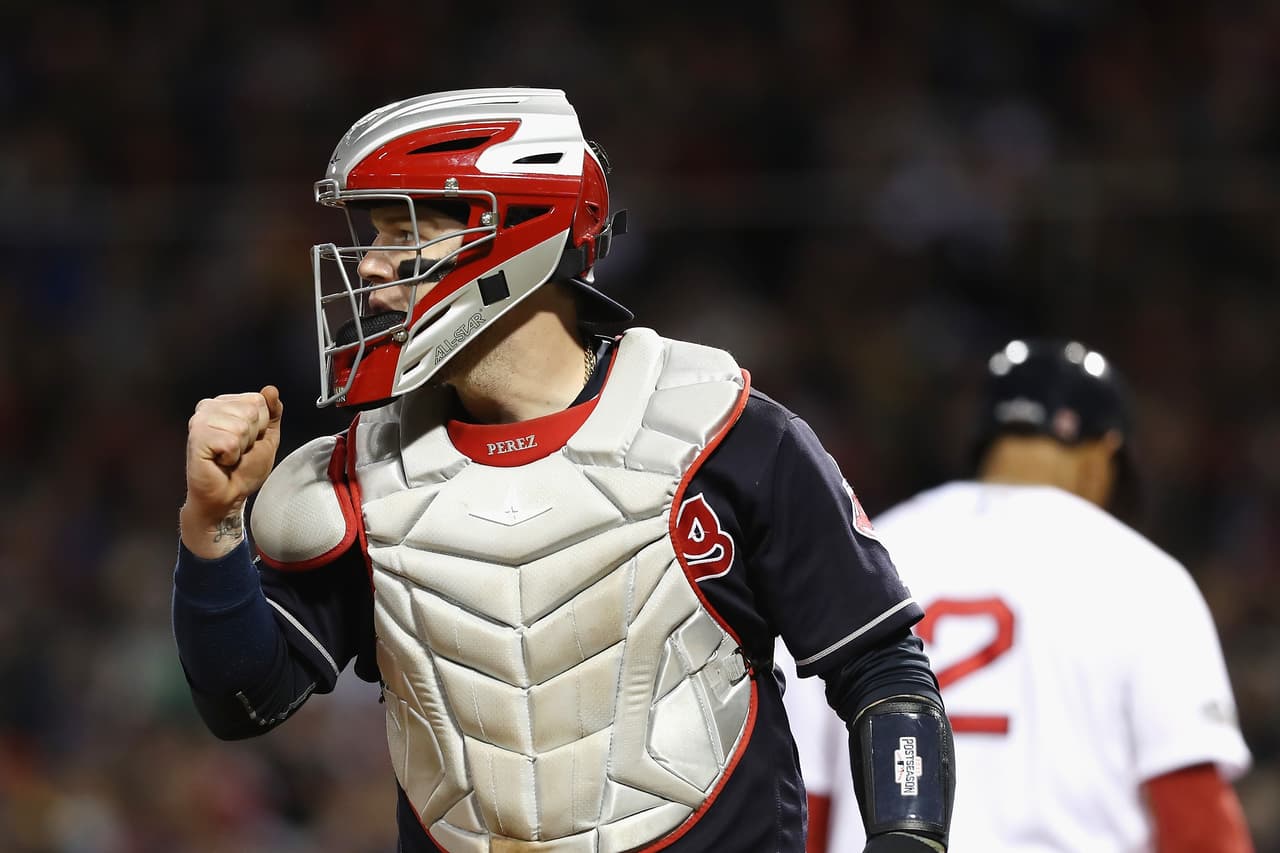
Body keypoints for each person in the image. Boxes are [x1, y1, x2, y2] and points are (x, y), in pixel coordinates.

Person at [171, 87, 956, 853]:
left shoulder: (724, 434)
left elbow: (882, 669)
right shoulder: (358, 471)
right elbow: (246, 700)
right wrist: (213, 528)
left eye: (401, 230)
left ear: (514, 233)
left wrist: (907, 836)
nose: (371, 268)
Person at [779, 338, 1254, 853]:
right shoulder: (1147, 578)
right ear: (1103, 455)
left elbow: (805, 805)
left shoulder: (868, 549)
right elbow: (1199, 824)